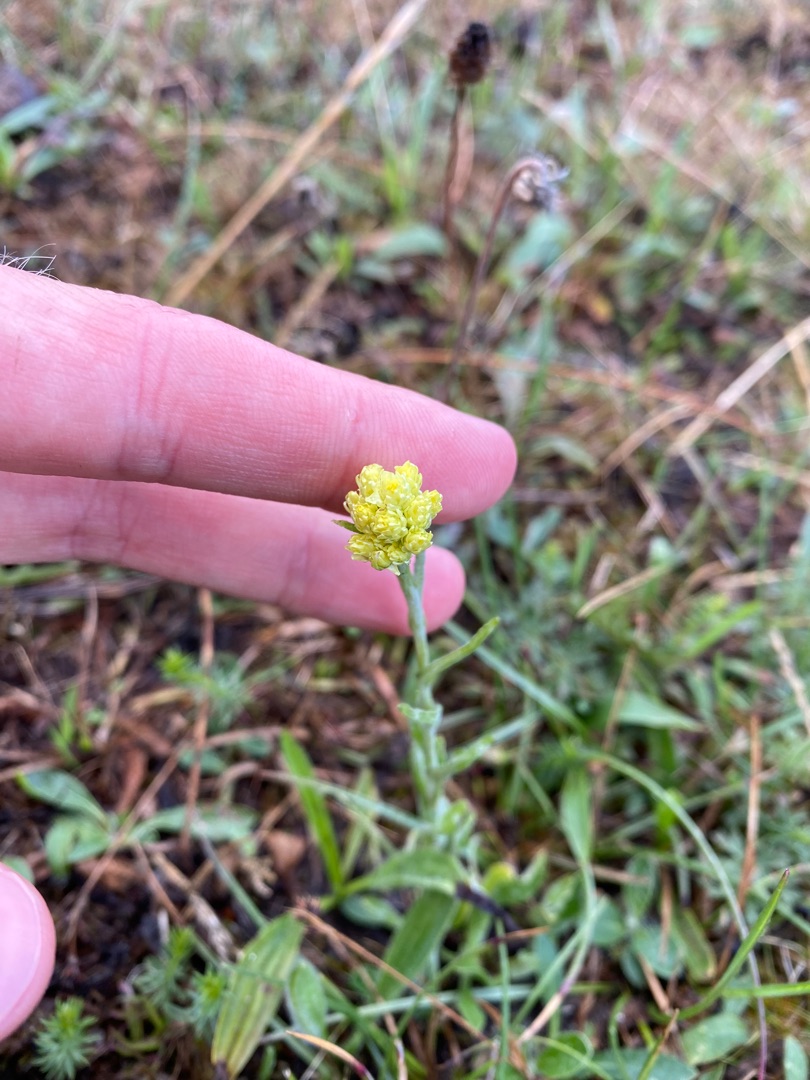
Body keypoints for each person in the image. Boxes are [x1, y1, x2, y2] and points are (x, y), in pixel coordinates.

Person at [0, 264, 516, 1036]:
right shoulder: (383, 537)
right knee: (420, 668)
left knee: (424, 649)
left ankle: (448, 846)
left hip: (406, 553)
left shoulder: (403, 537)